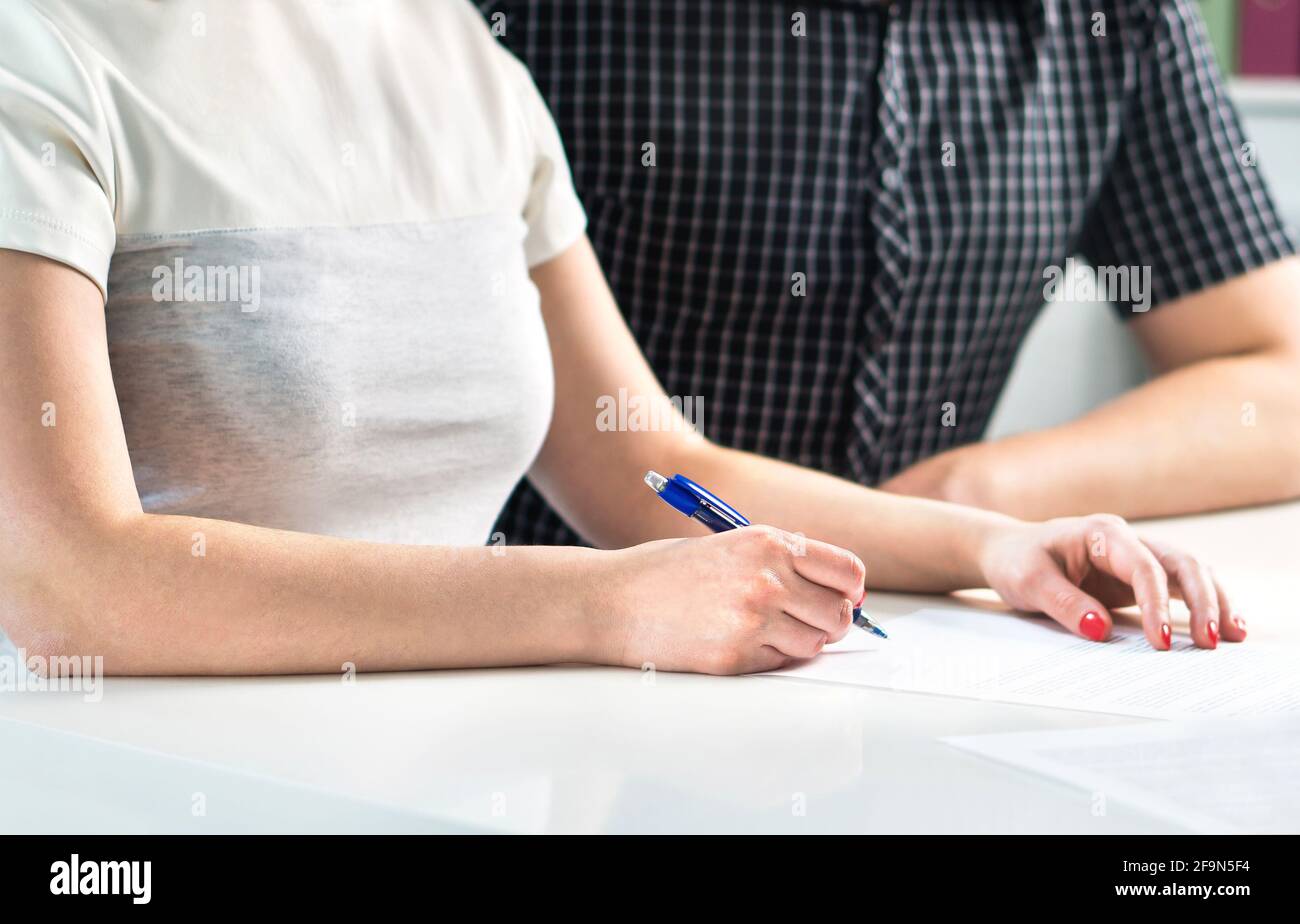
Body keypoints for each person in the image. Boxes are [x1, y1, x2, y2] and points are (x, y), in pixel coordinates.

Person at [0, 0, 1245, 679]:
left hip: (452, 783)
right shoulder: (39, 50)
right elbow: (70, 582)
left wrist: (995, 544)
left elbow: (639, 467)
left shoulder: (459, 53)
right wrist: (607, 608)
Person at [479, 0, 1300, 554]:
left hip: (908, 639)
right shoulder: (536, 22)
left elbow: (1278, 381)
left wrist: (971, 491)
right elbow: (639, 474)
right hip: (558, 657)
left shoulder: (1111, 20)